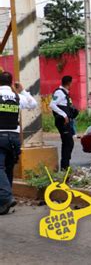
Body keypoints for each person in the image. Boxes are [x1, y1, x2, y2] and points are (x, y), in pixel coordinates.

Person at [0, 71, 38, 215]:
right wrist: (22, 90)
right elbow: (33, 104)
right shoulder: (17, 97)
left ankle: (6, 197)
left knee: (0, 168)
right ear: (11, 83)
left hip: (0, 136)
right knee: (8, 169)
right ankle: (4, 203)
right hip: (14, 139)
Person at [50, 75, 78, 171]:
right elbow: (52, 104)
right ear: (69, 83)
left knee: (68, 143)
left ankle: (65, 166)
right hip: (62, 122)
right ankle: (64, 167)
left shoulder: (65, 93)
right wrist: (64, 115)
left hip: (67, 122)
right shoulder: (59, 92)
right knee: (68, 143)